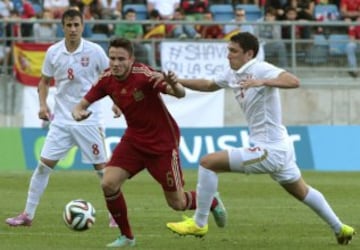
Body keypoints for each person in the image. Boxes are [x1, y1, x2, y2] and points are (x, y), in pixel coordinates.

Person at [165, 32, 356, 245]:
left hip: (269, 150)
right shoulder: (232, 73)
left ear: (249, 53)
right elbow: (209, 84)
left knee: (207, 163)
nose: (228, 55)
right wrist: (178, 80)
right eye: (228, 50)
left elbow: (293, 81)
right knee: (302, 191)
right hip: (280, 146)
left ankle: (199, 223)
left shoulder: (259, 68)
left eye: (233, 51)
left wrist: (262, 82)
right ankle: (341, 228)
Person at [71, 37, 227, 248]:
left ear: (131, 59)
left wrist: (173, 83)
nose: (115, 63)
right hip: (134, 140)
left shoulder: (144, 75)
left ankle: (211, 201)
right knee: (108, 183)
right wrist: (78, 112)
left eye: (121, 59)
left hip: (162, 143)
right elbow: (80, 105)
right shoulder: (106, 78)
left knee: (177, 203)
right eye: (112, 58)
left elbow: (179, 94)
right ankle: (127, 237)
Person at [5, 9, 118, 228]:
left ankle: (116, 215)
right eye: (69, 25)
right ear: (63, 26)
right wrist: (42, 104)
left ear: (83, 25)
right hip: (62, 122)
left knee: (103, 170)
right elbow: (44, 81)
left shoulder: (94, 51)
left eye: (76, 25)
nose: (73, 29)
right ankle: (27, 215)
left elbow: (111, 78)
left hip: (89, 120)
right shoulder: (53, 52)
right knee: (42, 167)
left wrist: (116, 101)